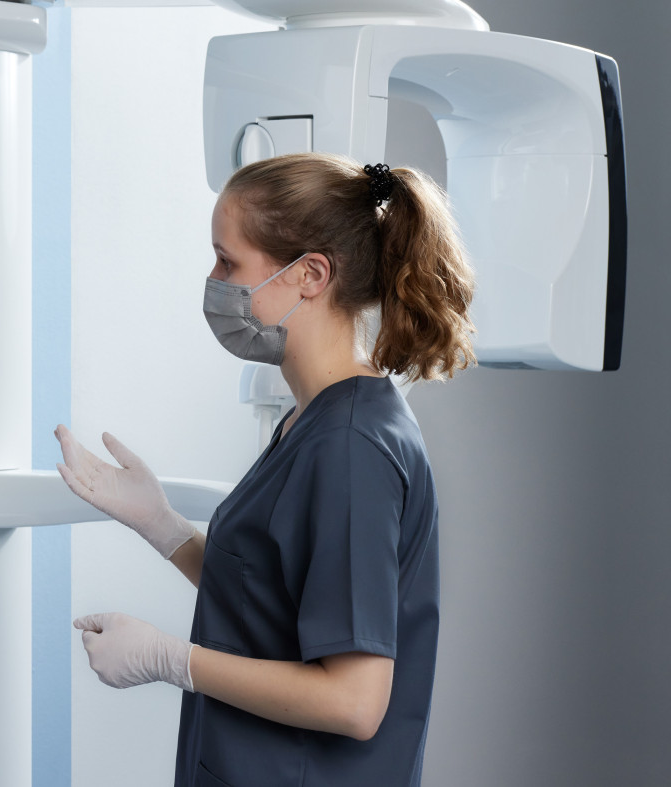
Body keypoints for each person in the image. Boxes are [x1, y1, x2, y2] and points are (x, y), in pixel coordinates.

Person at [57, 153, 475, 786]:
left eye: (228, 262)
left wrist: (170, 659)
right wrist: (163, 527)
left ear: (309, 274)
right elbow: (273, 601)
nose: (213, 281)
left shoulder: (350, 448)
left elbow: (354, 702)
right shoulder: (313, 418)